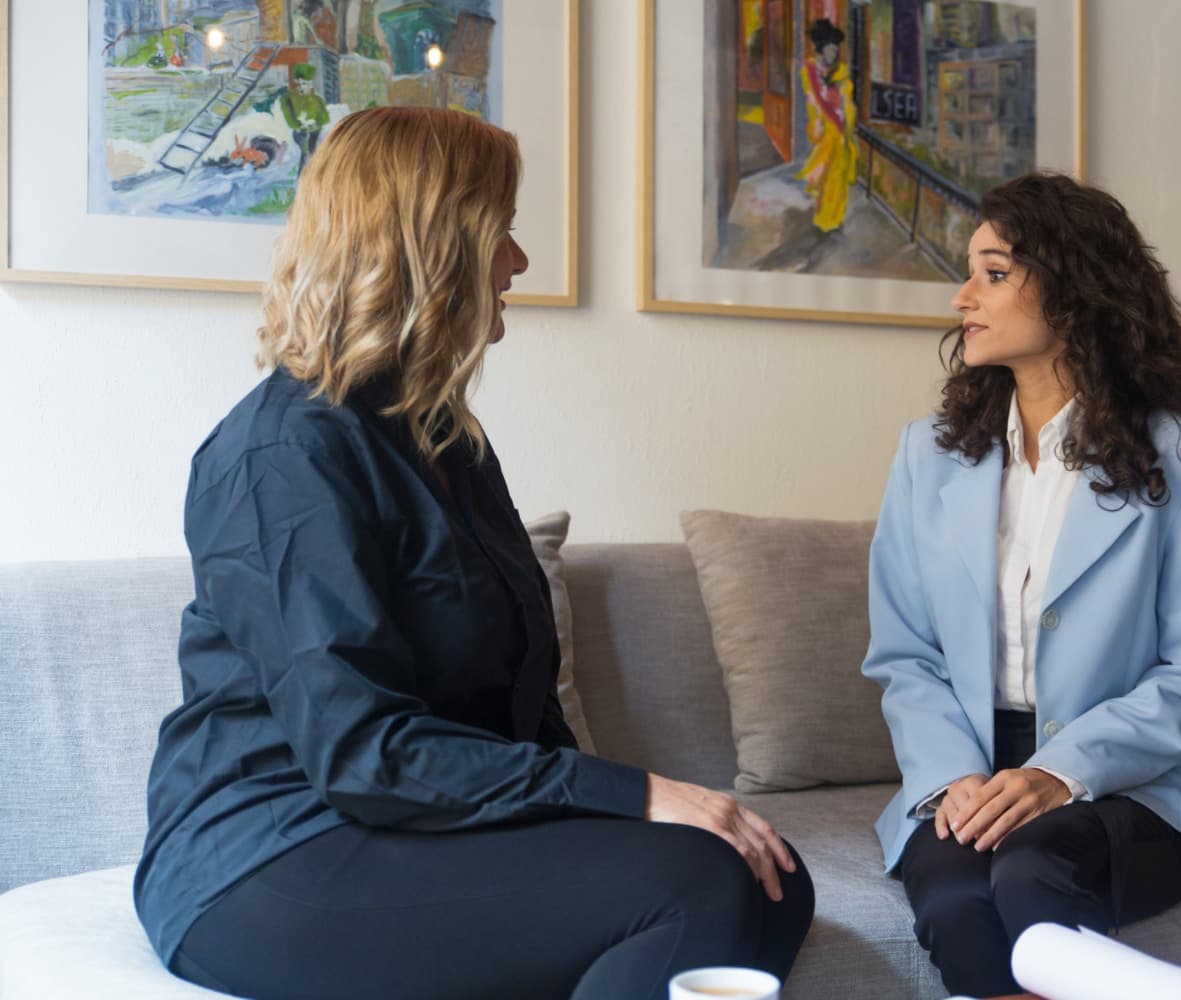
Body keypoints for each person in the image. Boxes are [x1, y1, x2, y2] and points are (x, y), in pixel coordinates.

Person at [134, 106, 814, 1000]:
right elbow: (363, 753)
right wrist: (634, 796)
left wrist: (645, 813)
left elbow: (520, 707)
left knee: (773, 872)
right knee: (696, 882)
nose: (519, 263)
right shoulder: (284, 456)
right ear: (430, 245)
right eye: (502, 232)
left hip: (415, 824)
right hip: (270, 850)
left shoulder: (451, 443)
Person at [862, 172, 1181, 997]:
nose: (963, 296)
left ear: (1075, 291)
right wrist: (952, 777)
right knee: (958, 901)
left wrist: (1058, 773)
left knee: (1030, 874)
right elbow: (904, 653)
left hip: (1132, 778)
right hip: (966, 768)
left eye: (993, 273)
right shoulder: (925, 456)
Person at [797, 18, 857, 233]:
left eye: (836, 49)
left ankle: (834, 217)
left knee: (837, 175)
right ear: (821, 49)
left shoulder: (841, 71)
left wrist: (843, 103)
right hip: (824, 128)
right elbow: (811, 100)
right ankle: (824, 216)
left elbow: (847, 100)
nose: (834, 53)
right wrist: (818, 122)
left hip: (840, 130)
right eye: (831, 49)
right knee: (824, 176)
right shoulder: (810, 70)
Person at [280, 63, 330, 174]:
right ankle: (302, 177)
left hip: (314, 131)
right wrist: (298, 125)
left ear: (311, 84)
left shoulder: (317, 99)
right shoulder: (289, 98)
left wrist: (316, 123)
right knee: (305, 152)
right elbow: (288, 115)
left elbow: (324, 117)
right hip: (300, 132)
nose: (301, 87)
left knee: (315, 152)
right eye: (299, 84)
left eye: (305, 84)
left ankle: (316, 175)